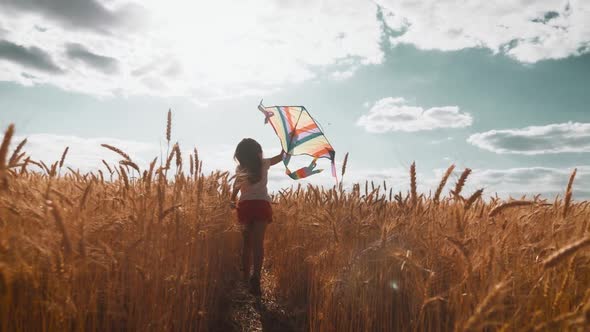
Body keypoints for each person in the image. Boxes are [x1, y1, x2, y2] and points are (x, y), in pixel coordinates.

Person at [230, 138, 283, 296]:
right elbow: (281, 157)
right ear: (257, 151)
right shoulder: (264, 163)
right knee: (258, 244)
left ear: (240, 154)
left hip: (245, 206)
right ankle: (256, 278)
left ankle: (246, 279)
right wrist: (287, 144)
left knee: (247, 244)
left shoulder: (240, 168)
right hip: (261, 205)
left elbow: (236, 187)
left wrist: (232, 200)